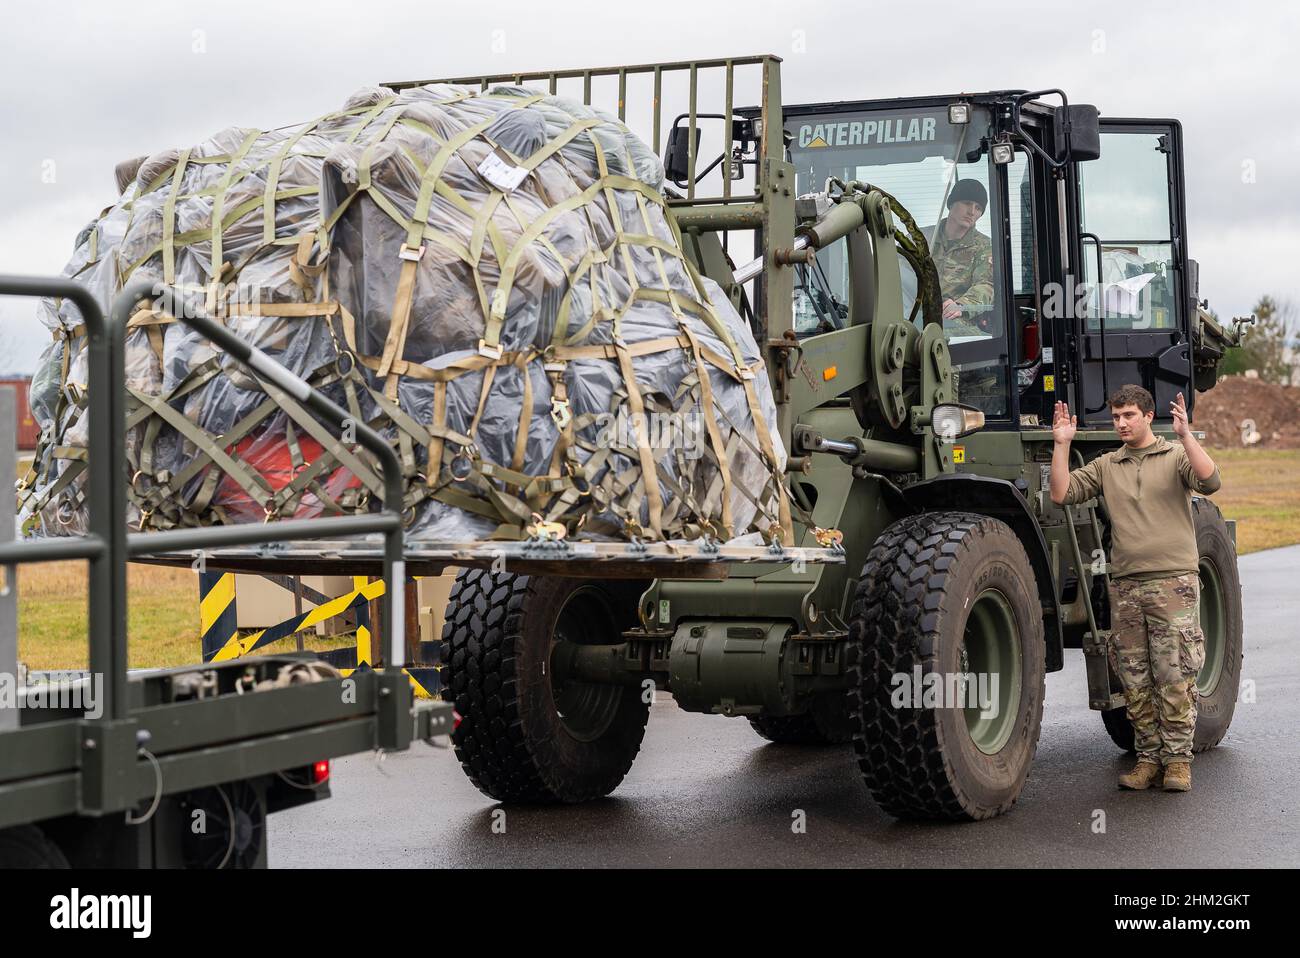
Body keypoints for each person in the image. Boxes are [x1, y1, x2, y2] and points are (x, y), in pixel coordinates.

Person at [1049, 385, 1221, 792]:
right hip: (1126, 586)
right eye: (1116, 417)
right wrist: (1061, 444)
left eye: (1128, 415)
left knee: (1174, 674)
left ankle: (1177, 762)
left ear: (1147, 416)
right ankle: (1147, 759)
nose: (1121, 423)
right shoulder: (1108, 465)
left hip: (1173, 583)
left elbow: (1210, 481)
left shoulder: (1174, 456)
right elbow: (1061, 493)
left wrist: (1186, 435)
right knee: (1134, 678)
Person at [929, 178, 994, 327]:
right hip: (915, 315)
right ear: (951, 204)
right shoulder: (922, 239)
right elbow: (900, 278)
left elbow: (986, 285)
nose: (972, 212)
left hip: (956, 322)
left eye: (978, 208)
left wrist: (961, 305)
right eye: (967, 203)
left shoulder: (984, 246)